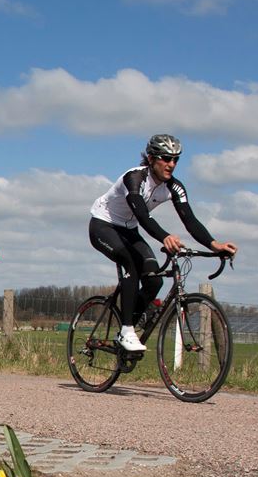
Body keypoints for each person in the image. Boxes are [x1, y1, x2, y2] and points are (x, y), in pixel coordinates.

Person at [88, 135, 238, 353]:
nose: (171, 164)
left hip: (129, 230)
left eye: (176, 160)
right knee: (130, 262)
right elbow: (141, 215)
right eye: (166, 158)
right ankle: (127, 331)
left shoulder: (175, 188)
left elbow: (190, 220)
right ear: (151, 158)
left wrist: (215, 245)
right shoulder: (135, 178)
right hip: (104, 226)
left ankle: (125, 327)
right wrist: (164, 236)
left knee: (154, 281)